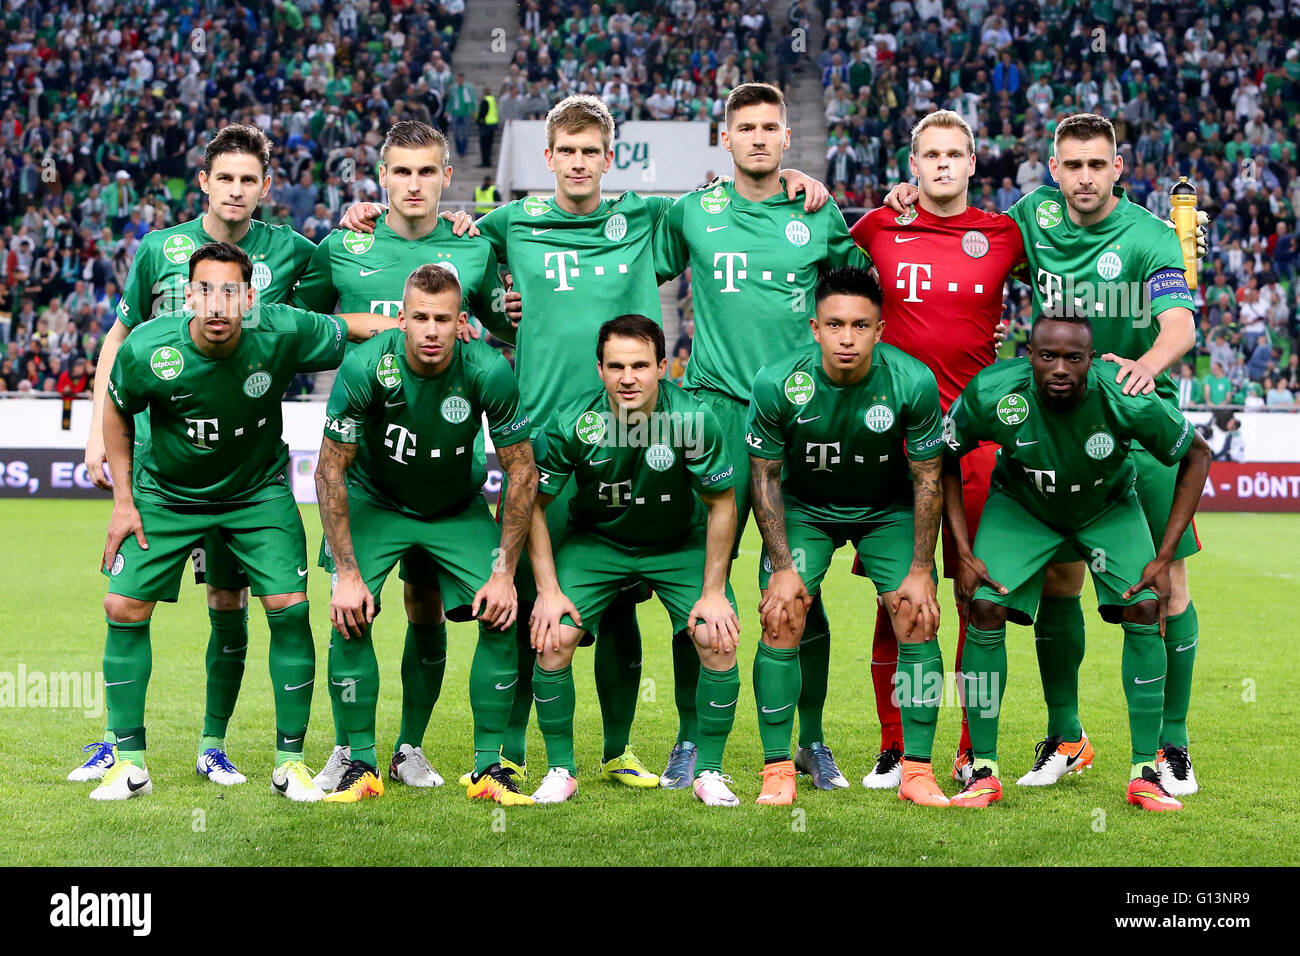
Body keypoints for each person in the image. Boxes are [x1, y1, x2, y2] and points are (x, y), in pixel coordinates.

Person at [338, 94, 829, 791]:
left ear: (609, 156)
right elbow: (457, 255)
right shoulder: (510, 223)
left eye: (589, 152)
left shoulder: (648, 217)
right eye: (564, 152)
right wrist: (383, 214)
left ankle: (624, 748)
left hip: (636, 435)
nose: (577, 163)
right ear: (548, 159)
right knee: (526, 606)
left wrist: (798, 183)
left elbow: (741, 204)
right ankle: (505, 750)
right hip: (542, 442)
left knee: (625, 600)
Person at [883, 112, 1210, 796]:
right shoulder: (1031, 219)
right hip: (1051, 421)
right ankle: (1068, 736)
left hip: (1134, 418)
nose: (1084, 177)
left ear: (1118, 168)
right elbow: (970, 237)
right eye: (1072, 165)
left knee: (1166, 588)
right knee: (1057, 583)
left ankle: (1172, 745)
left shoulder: (1150, 237)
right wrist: (912, 198)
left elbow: (1180, 324)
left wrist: (1139, 370)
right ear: (1052, 169)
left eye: (1098, 164)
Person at [90, 241, 394, 801]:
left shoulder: (278, 329)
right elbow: (116, 407)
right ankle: (128, 762)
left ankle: (290, 764)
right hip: (168, 494)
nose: (217, 303)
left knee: (289, 608)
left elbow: (350, 325)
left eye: (230, 290)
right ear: (188, 295)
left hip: (256, 493)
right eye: (204, 289)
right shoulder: (147, 348)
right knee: (123, 606)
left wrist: (422, 326)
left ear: (249, 297)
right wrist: (124, 503)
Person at [71, 125, 317, 788]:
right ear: (202, 181)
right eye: (224, 178)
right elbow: (120, 338)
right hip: (161, 460)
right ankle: (117, 744)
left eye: (249, 180)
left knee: (229, 599)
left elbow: (329, 321)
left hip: (245, 463)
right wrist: (98, 431)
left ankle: (214, 745)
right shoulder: (160, 249)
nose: (236, 191)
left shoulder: (295, 254)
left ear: (266, 187)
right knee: (129, 601)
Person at [654, 82, 869, 791]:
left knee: (797, 586)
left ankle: (809, 741)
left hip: (799, 420)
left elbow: (870, 284)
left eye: (769, 127)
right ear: (726, 137)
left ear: (786, 139)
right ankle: (690, 738)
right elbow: (623, 259)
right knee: (698, 583)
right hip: (714, 414)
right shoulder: (693, 211)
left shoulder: (817, 211)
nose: (756, 137)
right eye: (744, 126)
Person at [292, 120, 517, 792]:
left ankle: (411, 748)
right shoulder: (344, 243)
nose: (413, 185)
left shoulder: (471, 249)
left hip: (449, 485)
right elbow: (300, 331)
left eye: (427, 172)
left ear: (448, 178)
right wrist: (358, 330)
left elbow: (505, 329)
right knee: (351, 606)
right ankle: (351, 750)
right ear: (380, 177)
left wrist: (505, 310)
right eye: (401, 172)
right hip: (368, 480)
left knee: (426, 608)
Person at [941, 314, 1211, 811]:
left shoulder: (1124, 394)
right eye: (1048, 356)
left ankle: (1146, 771)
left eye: (1073, 358)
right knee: (983, 608)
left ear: (1093, 360)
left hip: (1106, 508)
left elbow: (1197, 454)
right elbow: (944, 452)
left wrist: (1165, 552)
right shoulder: (993, 391)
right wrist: (962, 547)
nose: (1059, 368)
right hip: (1023, 508)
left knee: (1146, 608)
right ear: (1029, 357)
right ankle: (982, 769)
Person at [314, 264, 538, 804]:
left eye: (443, 319)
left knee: (501, 611)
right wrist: (346, 574)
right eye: (420, 318)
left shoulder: (488, 368)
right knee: (351, 614)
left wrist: (505, 572)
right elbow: (329, 471)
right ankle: (359, 762)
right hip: (376, 500)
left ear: (462, 321)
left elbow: (523, 471)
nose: (432, 331)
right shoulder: (366, 365)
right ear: (401, 319)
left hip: (453, 508)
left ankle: (485, 767)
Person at [848, 109, 1024, 789]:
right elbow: (817, 266)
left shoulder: (1004, 233)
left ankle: (971, 747)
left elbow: (1075, 253)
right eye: (931, 154)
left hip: (977, 440)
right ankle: (895, 745)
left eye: (955, 153)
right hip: (895, 442)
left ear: (973, 164)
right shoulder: (876, 227)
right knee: (898, 597)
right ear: (912, 165)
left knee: (978, 595)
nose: (943, 164)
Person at [746, 267, 948, 806]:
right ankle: (777, 769)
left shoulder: (913, 381)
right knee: (783, 612)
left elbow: (929, 478)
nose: (847, 337)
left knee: (916, 613)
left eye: (861, 325)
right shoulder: (776, 381)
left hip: (886, 510)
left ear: (880, 330)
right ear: (815, 327)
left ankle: (918, 770)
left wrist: (923, 570)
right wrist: (784, 566)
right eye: (835, 324)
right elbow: (764, 477)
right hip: (805, 509)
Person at [526, 315, 742, 806]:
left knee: (717, 636)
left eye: (641, 365)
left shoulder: (691, 419)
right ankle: (561, 769)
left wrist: (712, 592)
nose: (628, 377)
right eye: (616, 366)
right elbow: (532, 505)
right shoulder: (572, 421)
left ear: (664, 367)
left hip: (675, 545)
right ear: (599, 369)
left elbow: (722, 504)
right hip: (597, 543)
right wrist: (547, 590)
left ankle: (709, 771)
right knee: (552, 635)